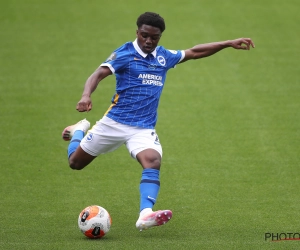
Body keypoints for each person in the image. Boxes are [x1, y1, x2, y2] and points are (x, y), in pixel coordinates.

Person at [62, 12, 255, 231]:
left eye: (154, 38)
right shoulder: (124, 53)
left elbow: (194, 51)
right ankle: (79, 131)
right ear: (137, 32)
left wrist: (228, 43)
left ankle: (145, 214)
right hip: (114, 123)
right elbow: (98, 74)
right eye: (144, 36)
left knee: (152, 161)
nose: (148, 41)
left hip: (143, 128)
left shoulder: (163, 57)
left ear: (160, 37)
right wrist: (86, 95)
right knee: (75, 164)